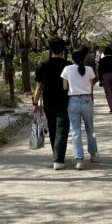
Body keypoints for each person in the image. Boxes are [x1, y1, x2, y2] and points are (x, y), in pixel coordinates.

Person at [32, 37, 70, 170]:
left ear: (50, 49)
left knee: (53, 128)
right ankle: (58, 158)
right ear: (63, 50)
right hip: (65, 101)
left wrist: (35, 103)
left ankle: (56, 155)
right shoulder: (68, 65)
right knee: (62, 128)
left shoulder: (43, 65)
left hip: (48, 101)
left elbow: (39, 87)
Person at [62, 47, 98, 170]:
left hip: (73, 101)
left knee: (75, 131)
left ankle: (79, 160)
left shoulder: (67, 69)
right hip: (87, 100)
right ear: (83, 58)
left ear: (72, 58)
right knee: (90, 128)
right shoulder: (89, 69)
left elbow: (65, 87)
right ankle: (93, 154)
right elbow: (92, 82)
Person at [97, 45, 112, 113]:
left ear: (104, 52)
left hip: (105, 76)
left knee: (108, 93)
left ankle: (111, 109)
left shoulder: (102, 60)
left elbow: (99, 70)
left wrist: (100, 79)